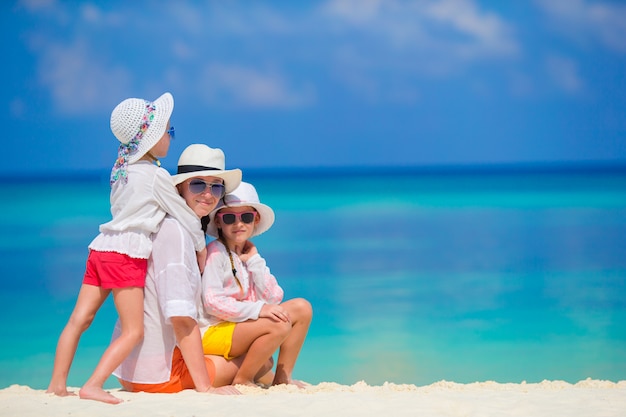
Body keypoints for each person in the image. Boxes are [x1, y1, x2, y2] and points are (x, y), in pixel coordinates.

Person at [46, 93, 208, 404]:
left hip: (101, 247)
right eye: (169, 132)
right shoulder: (156, 175)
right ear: (150, 139)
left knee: (79, 319)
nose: (171, 138)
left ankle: (56, 383)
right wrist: (200, 246)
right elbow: (184, 214)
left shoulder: (120, 170)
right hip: (127, 253)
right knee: (134, 331)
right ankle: (93, 384)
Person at [113, 144, 269, 394]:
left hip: (135, 369)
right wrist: (205, 388)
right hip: (159, 375)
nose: (208, 194)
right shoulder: (177, 234)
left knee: (258, 359)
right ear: (179, 188)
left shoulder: (184, 232)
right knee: (261, 362)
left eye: (216, 186)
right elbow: (181, 319)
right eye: (198, 184)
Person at [200, 182, 313, 387]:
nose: (238, 224)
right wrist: (259, 309)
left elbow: (274, 298)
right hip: (213, 330)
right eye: (229, 218)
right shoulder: (216, 252)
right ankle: (243, 379)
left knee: (302, 308)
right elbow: (212, 302)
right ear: (218, 222)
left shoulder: (247, 254)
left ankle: (283, 378)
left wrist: (254, 261)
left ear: (255, 219)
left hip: (237, 326)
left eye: (246, 217)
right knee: (278, 323)